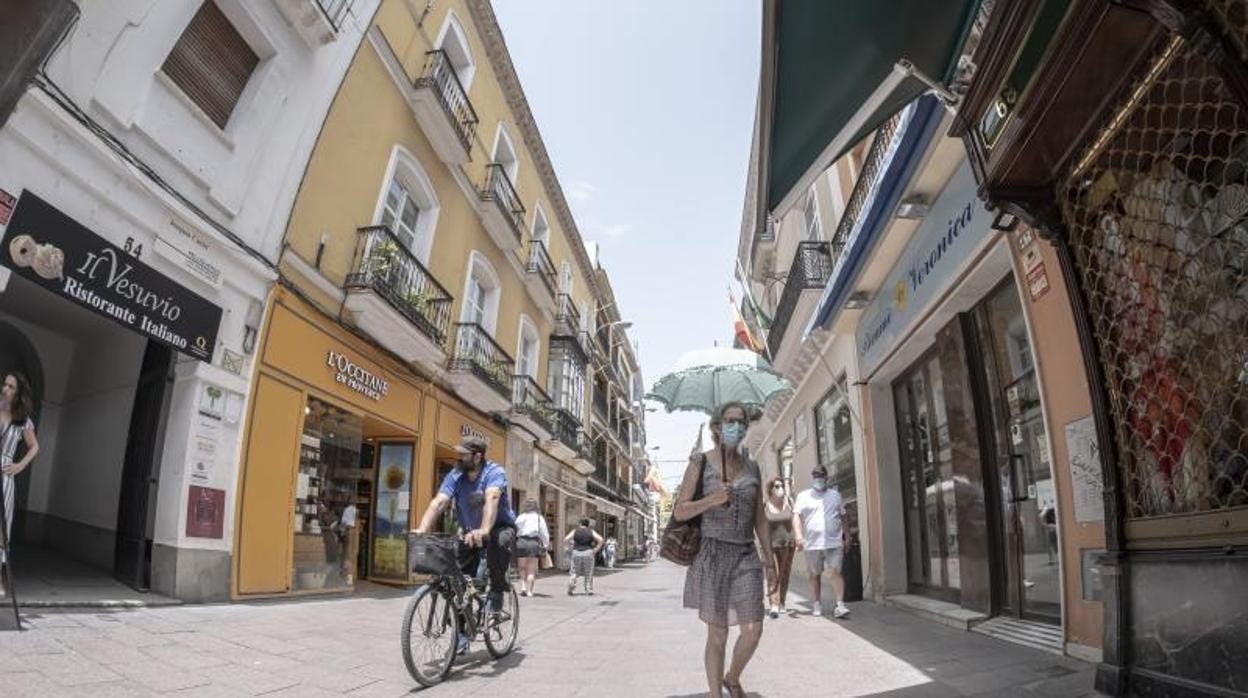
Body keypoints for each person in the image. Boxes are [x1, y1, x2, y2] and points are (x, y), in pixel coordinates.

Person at [675, 402, 773, 698]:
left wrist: (769, 559)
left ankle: (732, 676)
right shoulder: (700, 462)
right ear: (717, 427)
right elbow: (680, 511)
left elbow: (759, 517)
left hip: (745, 554)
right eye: (731, 421)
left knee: (753, 629)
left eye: (742, 421)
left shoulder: (752, 466)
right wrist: (711, 500)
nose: (738, 426)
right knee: (718, 634)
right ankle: (716, 694)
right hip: (712, 554)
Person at [413, 436, 516, 653]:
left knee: (499, 541)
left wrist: (485, 530)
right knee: (458, 580)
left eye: (463, 455)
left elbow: (492, 498)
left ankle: (497, 594)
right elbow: (440, 501)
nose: (458, 458)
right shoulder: (456, 474)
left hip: (497, 527)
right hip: (470, 532)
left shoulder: (494, 472)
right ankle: (460, 634)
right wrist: (422, 529)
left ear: (477, 457)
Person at [793, 466, 849, 619]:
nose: (819, 478)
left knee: (835, 572)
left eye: (821, 475)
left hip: (834, 542)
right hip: (812, 543)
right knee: (814, 574)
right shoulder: (803, 496)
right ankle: (816, 603)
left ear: (826, 477)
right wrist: (798, 535)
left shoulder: (835, 495)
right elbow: (796, 516)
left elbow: (844, 515)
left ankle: (840, 605)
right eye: (816, 476)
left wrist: (847, 536)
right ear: (813, 477)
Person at [0, 372, 39, 590]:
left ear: (18, 393)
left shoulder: (23, 419)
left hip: (5, 475)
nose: (5, 389)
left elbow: (34, 447)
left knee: (1, 526)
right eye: (4, 384)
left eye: (11, 387)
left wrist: (19, 466)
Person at [764, 477, 796, 618]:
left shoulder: (789, 502)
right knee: (772, 573)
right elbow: (759, 525)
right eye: (777, 486)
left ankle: (782, 602)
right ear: (771, 489)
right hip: (770, 546)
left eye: (781, 485)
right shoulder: (765, 505)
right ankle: (774, 604)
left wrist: (798, 537)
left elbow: (795, 519)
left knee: (784, 574)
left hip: (788, 544)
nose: (780, 488)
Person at [513, 499, 549, 597]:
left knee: (522, 567)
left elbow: (515, 528)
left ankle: (523, 586)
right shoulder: (539, 518)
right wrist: (545, 545)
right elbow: (544, 533)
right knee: (531, 569)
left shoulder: (521, 517)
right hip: (533, 543)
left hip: (521, 542)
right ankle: (529, 591)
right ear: (536, 507)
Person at [564, 518, 602, 595]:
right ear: (588, 524)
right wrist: (596, 549)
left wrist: (570, 548)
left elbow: (566, 539)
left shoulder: (575, 531)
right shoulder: (591, 531)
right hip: (588, 552)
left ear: (580, 523)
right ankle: (588, 589)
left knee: (574, 571)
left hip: (576, 552)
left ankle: (571, 586)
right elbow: (600, 539)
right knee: (588, 572)